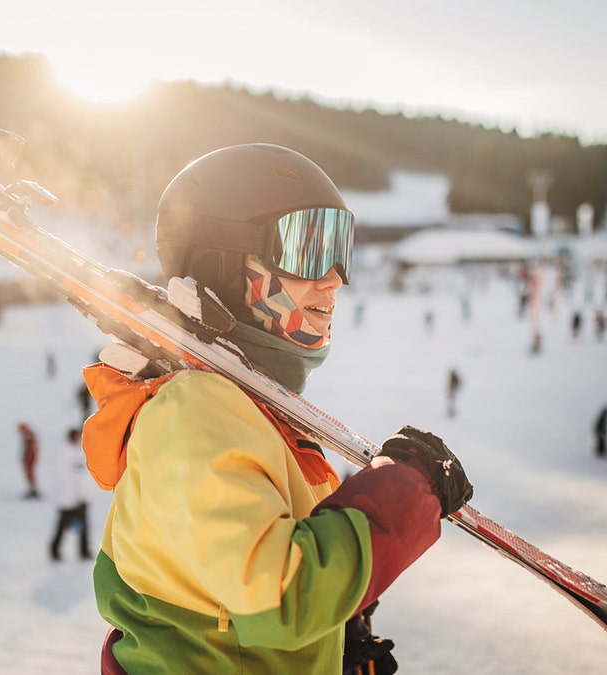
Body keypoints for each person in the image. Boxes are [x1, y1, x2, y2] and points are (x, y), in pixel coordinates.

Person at [80, 144, 472, 674]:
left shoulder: (255, 413)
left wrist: (332, 644)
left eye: (340, 249)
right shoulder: (194, 412)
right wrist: (406, 493)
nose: (334, 278)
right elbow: (279, 597)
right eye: (308, 249)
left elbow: (243, 608)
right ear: (220, 264)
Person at [48, 428, 91, 562]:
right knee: (63, 526)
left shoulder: (75, 452)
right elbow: (69, 479)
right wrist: (77, 497)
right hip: (70, 499)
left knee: (80, 527)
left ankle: (82, 551)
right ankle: (56, 550)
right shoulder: (66, 454)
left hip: (75, 498)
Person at [17, 422, 40, 499]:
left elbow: (30, 447)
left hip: (30, 456)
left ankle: (33, 491)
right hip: (30, 456)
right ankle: (32, 490)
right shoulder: (28, 435)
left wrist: (26, 457)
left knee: (30, 473)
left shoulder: (28, 435)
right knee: (29, 474)